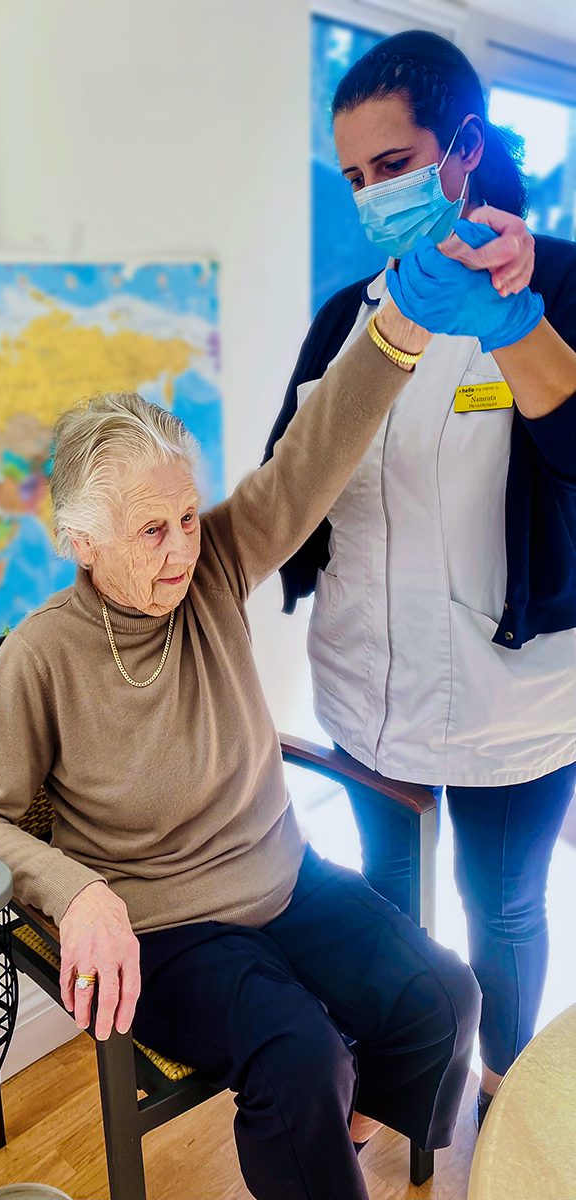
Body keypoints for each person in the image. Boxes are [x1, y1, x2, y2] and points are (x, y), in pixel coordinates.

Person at [0, 305, 482, 1200]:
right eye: (153, 531)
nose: (184, 546)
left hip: (284, 879)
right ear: (83, 543)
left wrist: (401, 331)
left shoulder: (216, 563)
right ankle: (315, 1127)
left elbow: (310, 456)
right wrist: (76, 893)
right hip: (167, 931)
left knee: (444, 996)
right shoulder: (42, 654)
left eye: (187, 515)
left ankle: (341, 1124)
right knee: (299, 1055)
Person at [265, 29, 576, 1129]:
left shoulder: (568, 284)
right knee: (387, 904)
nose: (372, 196)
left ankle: (503, 1091)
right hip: (364, 686)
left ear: (464, 148)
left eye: (393, 166)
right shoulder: (347, 316)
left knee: (503, 913)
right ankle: (396, 1076)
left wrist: (521, 332)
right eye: (354, 177)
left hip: (516, 700)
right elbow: (286, 491)